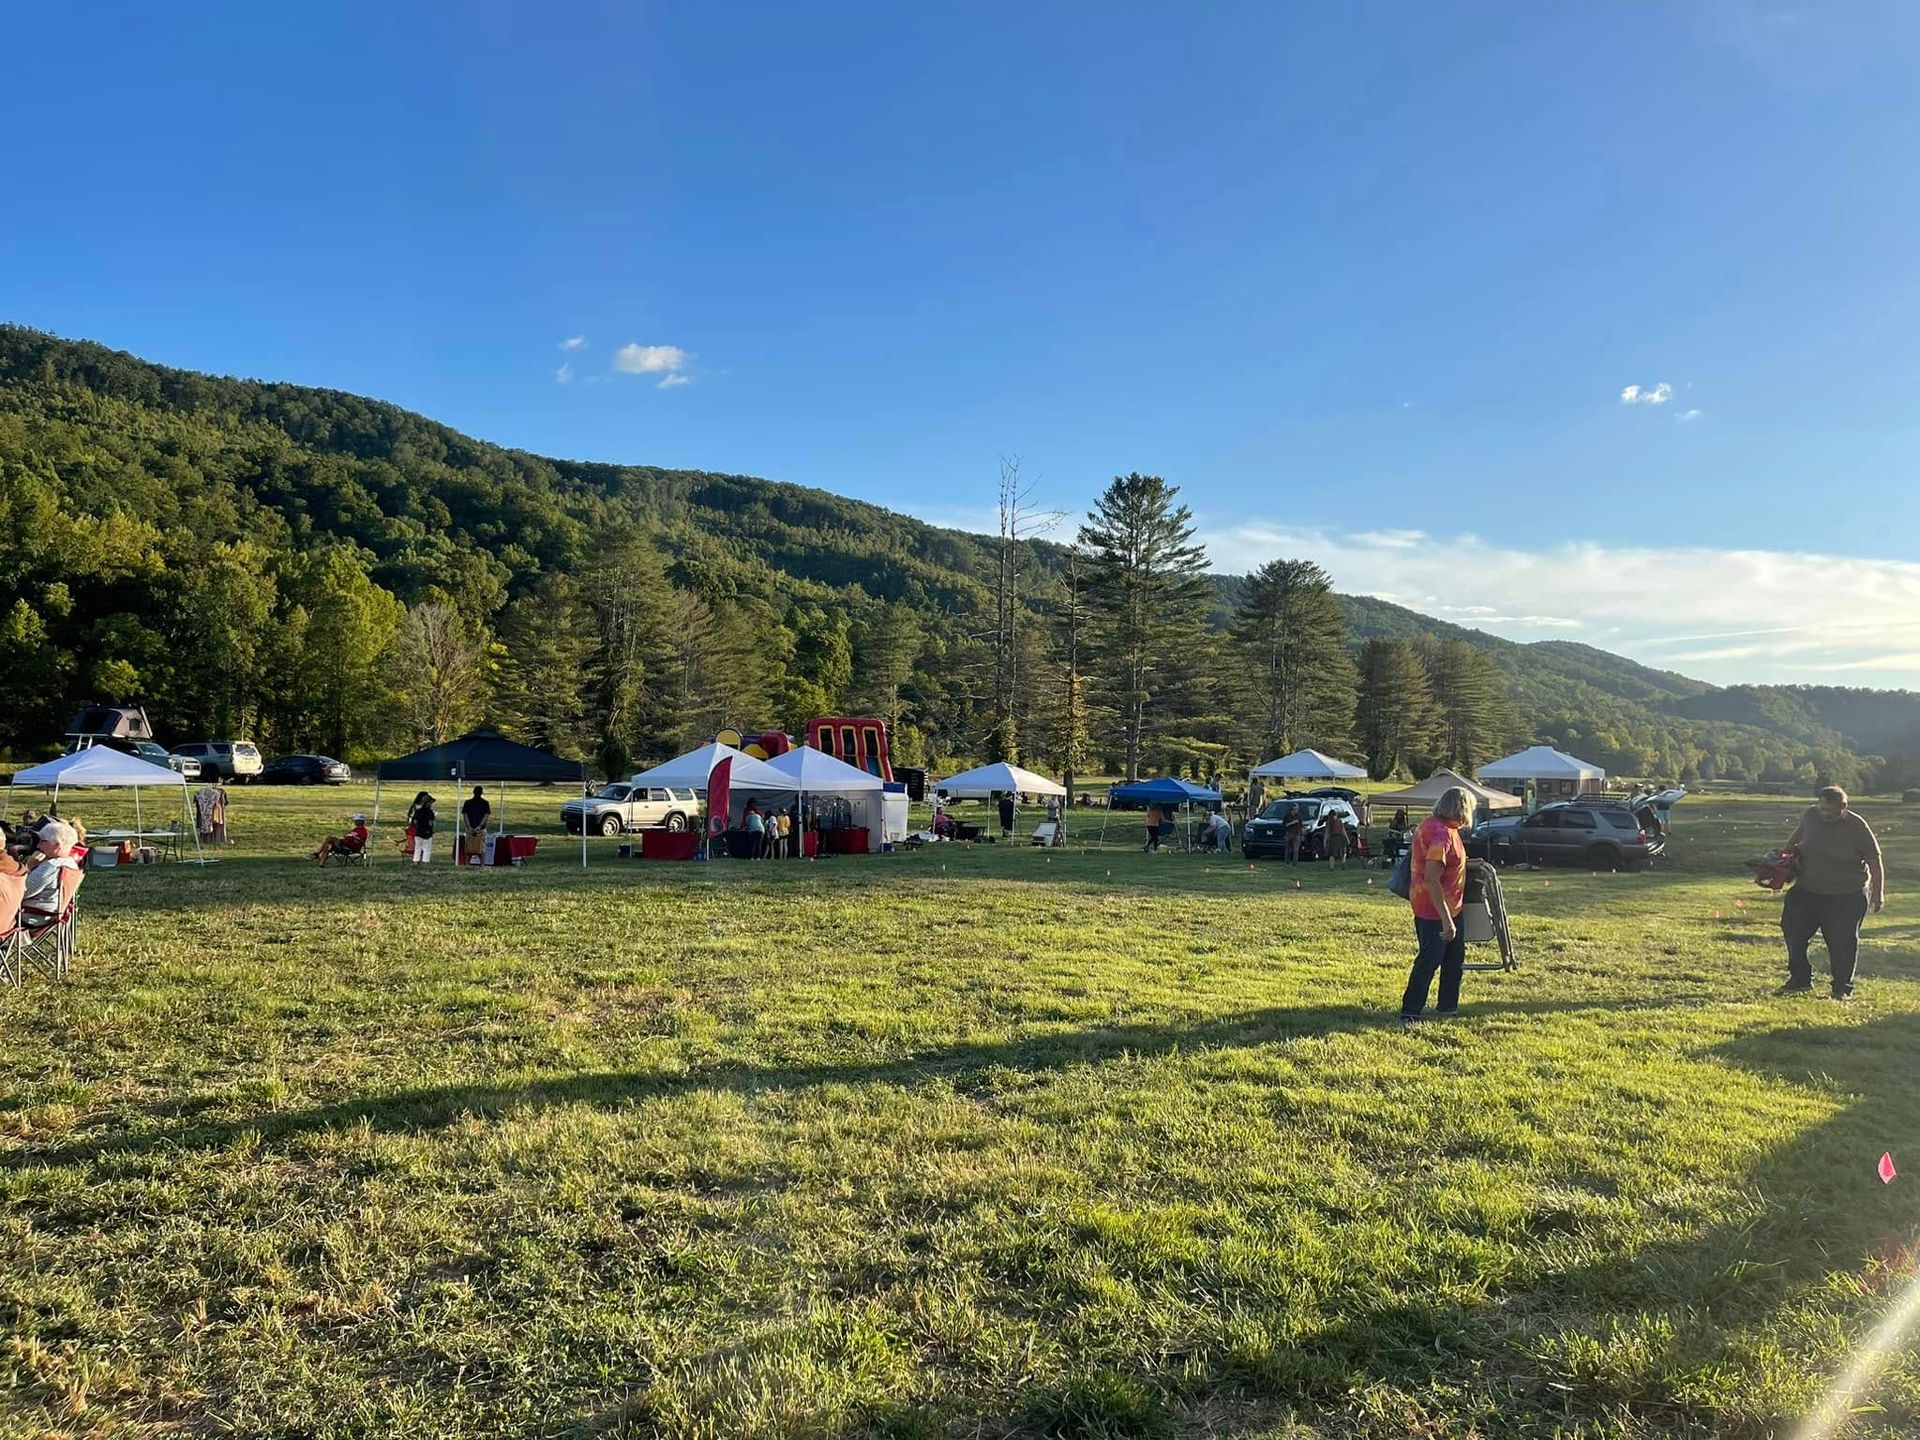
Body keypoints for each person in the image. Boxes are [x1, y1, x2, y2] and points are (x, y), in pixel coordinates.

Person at [1777, 785, 1886, 1000]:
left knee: (1842, 943)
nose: (1823, 814)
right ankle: (1800, 978)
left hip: (1846, 894)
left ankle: (1842, 989)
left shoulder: (1857, 827)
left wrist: (1878, 892)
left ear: (1843, 807)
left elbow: (1875, 861)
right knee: (1793, 931)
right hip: (1807, 889)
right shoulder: (1811, 815)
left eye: (1829, 810)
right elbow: (1794, 841)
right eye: (1821, 808)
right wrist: (1780, 863)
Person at [1400, 786, 1473, 1022]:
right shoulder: (1442, 834)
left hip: (1449, 908)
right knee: (1429, 960)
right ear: (1461, 808)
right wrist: (1446, 920)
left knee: (1454, 959)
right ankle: (1410, 1010)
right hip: (1436, 910)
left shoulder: (1433, 825)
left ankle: (1447, 1007)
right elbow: (1431, 877)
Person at [194, 780, 230, 847]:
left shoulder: (218, 793)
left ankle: (209, 840)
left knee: (208, 823)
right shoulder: (215, 794)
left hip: (208, 814)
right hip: (208, 814)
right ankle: (209, 840)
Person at [460, 786, 491, 862]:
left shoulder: (468, 803)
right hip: (480, 828)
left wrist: (469, 827)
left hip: (473, 828)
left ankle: (467, 863)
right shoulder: (485, 803)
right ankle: (481, 865)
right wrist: (479, 826)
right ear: (482, 793)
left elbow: (465, 816)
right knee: (481, 847)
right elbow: (486, 816)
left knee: (469, 845)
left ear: (473, 792)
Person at [407, 791, 437, 865]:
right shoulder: (430, 812)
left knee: (418, 847)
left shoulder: (418, 811)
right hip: (427, 832)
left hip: (418, 831)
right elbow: (431, 823)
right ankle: (425, 861)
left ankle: (416, 860)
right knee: (427, 848)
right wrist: (431, 829)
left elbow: (414, 821)